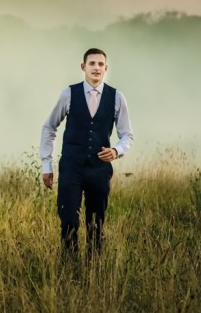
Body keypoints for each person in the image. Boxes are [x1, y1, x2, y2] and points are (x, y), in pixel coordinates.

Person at [40, 48, 134, 257]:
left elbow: (127, 135)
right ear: (83, 67)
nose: (96, 68)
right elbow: (49, 128)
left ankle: (94, 270)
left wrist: (116, 151)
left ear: (106, 69)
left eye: (101, 64)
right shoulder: (68, 94)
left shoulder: (117, 97)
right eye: (92, 64)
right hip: (71, 168)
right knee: (69, 220)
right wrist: (47, 165)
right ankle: (70, 269)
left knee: (96, 223)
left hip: (99, 170)